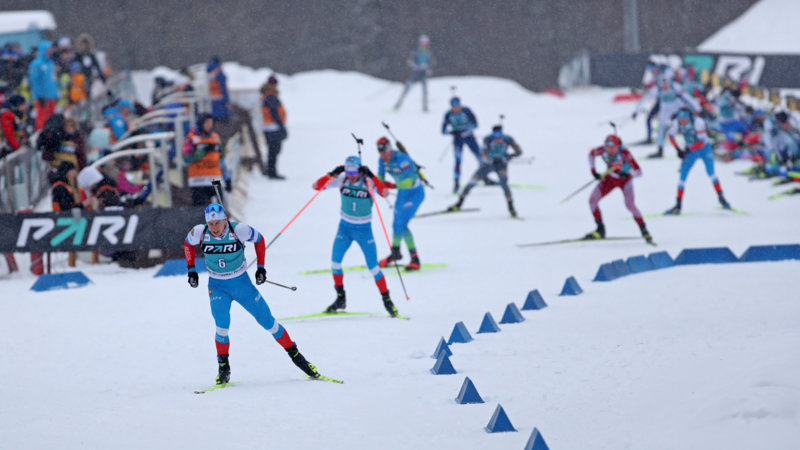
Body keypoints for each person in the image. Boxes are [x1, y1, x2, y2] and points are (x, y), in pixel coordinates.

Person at [184, 203, 321, 384]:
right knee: (221, 325)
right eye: (211, 224)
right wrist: (191, 269)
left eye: (217, 223)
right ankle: (223, 367)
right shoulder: (199, 232)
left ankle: (297, 357)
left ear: (225, 220)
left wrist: (261, 268)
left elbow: (259, 239)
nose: (214, 228)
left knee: (268, 322)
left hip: (242, 284)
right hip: (217, 286)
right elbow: (188, 244)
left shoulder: (238, 230)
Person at [312, 155, 400, 317]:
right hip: (344, 228)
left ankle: (387, 301)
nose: (351, 176)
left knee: (373, 267)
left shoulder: (368, 182)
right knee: (335, 262)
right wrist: (332, 174)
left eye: (354, 172)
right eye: (348, 171)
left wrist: (372, 175)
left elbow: (385, 193)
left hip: (364, 230)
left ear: (360, 170)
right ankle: (340, 298)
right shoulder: (343, 179)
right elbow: (316, 186)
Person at [584, 135, 652, 243]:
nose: (610, 150)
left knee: (630, 205)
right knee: (592, 200)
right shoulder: (602, 150)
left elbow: (639, 172)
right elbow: (591, 154)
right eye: (607, 147)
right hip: (609, 179)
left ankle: (643, 229)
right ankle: (600, 229)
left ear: (618, 146)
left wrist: (627, 171)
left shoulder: (625, 154)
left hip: (625, 182)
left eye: (613, 147)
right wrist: (593, 171)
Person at [664, 108, 732, 214]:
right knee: (682, 176)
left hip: (704, 149)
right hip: (691, 151)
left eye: (685, 119)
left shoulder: (698, 122)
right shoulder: (676, 122)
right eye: (681, 119)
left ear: (689, 117)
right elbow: (671, 135)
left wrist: (688, 149)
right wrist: (678, 149)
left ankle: (722, 198)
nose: (683, 121)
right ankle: (678, 204)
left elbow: (702, 142)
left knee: (711, 173)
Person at [448, 125, 522, 218]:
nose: (498, 140)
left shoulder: (508, 139)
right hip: (487, 166)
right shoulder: (488, 139)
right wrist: (487, 159)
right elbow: (483, 152)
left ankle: (511, 207)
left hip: (501, 166)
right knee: (471, 183)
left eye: (499, 137)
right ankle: (459, 204)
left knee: (504, 185)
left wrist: (510, 156)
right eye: (496, 137)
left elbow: (519, 151)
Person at [374, 136, 426, 270]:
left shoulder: (402, 159)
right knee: (396, 224)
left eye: (385, 153)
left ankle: (415, 259)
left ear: (390, 150)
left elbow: (410, 181)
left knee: (402, 224)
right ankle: (395, 253)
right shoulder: (382, 160)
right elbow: (380, 179)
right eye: (381, 153)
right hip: (403, 194)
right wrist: (378, 186)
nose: (383, 156)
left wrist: (391, 185)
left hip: (414, 193)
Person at [633, 74, 700, 158]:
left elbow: (687, 97)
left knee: (687, 124)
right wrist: (636, 111)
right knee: (661, 128)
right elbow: (645, 99)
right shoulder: (657, 89)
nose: (665, 88)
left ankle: (692, 146)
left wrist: (698, 108)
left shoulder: (675, 86)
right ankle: (660, 150)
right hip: (665, 108)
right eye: (663, 86)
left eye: (666, 85)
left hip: (677, 106)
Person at [441, 97, 491, 193]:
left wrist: (466, 130)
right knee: (458, 161)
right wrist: (453, 132)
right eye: (454, 106)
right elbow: (443, 131)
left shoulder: (466, 110)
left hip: (470, 138)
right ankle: (456, 184)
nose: (456, 108)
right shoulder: (448, 114)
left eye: (458, 106)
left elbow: (475, 124)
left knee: (480, 157)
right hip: (458, 140)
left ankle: (485, 178)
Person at [183, 113, 224, 206]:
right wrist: (202, 151)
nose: (210, 125)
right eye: (207, 123)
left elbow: (221, 158)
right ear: (201, 123)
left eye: (211, 122)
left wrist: (227, 177)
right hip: (198, 181)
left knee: (220, 209)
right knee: (202, 212)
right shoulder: (191, 137)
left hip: (215, 179)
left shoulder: (216, 137)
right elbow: (187, 159)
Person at [393, 34, 433, 112]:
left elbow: (432, 63)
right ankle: (397, 106)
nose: (424, 45)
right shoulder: (416, 52)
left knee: (425, 90)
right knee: (407, 87)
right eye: (423, 43)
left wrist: (427, 68)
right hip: (416, 73)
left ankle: (425, 107)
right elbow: (410, 61)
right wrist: (415, 66)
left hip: (423, 73)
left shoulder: (428, 53)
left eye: (426, 43)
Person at [260, 75, 288, 179]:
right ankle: (272, 172)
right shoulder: (271, 96)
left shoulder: (266, 94)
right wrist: (281, 126)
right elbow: (274, 112)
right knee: (274, 150)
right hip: (273, 127)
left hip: (269, 126)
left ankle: (270, 170)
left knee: (272, 150)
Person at [28, 40, 59, 130]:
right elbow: (35, 81)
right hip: (42, 98)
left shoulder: (51, 63)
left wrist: (55, 94)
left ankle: (51, 136)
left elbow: (53, 79)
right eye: (48, 49)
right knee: (42, 118)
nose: (50, 51)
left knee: (52, 119)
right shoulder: (36, 63)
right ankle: (41, 135)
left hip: (51, 97)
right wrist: (40, 95)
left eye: (51, 49)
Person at [0, 94, 28, 158]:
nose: (25, 107)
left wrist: (23, 139)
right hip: (4, 148)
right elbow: (8, 134)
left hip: (8, 146)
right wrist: (18, 147)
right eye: (23, 104)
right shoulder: (6, 114)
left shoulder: (15, 113)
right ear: (17, 105)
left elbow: (20, 129)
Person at [206, 56, 231, 122]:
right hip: (220, 100)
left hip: (211, 100)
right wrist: (227, 100)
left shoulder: (208, 72)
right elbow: (223, 88)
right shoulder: (219, 72)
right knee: (224, 121)